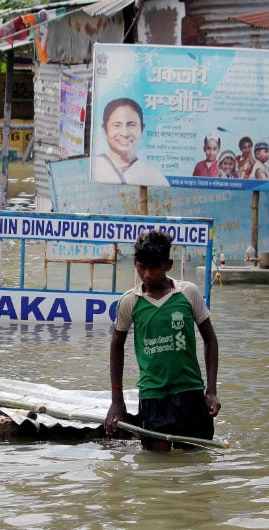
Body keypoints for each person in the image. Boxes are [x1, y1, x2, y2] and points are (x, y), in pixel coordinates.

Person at [105, 230, 221, 452]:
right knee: (156, 464)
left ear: (168, 265)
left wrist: (212, 391)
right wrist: (117, 400)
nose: (147, 274)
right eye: (141, 267)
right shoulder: (130, 302)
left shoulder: (188, 293)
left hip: (190, 392)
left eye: (154, 268)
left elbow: (210, 339)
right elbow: (117, 345)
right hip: (153, 396)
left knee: (197, 461)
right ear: (135, 264)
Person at [93, 97, 169, 187]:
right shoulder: (94, 167)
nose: (125, 133)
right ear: (105, 130)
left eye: (131, 125)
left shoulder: (155, 177)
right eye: (116, 125)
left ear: (142, 129)